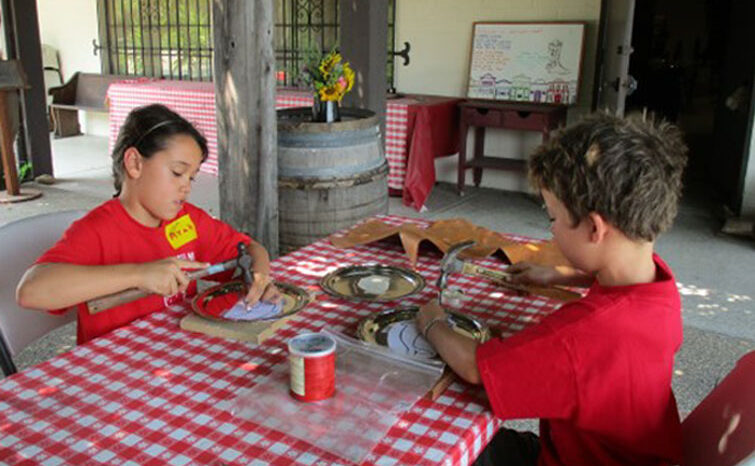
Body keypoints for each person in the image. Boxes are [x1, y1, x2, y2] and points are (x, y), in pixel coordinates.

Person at [416, 112, 688, 465]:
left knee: (440, 441)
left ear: (595, 228)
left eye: (553, 218)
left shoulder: (584, 335)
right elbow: (614, 287)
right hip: (611, 451)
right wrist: (558, 275)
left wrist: (432, 320)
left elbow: (473, 367)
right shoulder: (658, 284)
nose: (552, 232)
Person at [16, 104, 280, 344]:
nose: (186, 187)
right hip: (112, 372)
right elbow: (31, 291)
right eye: (177, 172)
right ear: (134, 163)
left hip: (174, 356)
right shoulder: (98, 231)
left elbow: (250, 249)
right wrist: (139, 274)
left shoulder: (185, 221)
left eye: (192, 177)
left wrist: (259, 276)